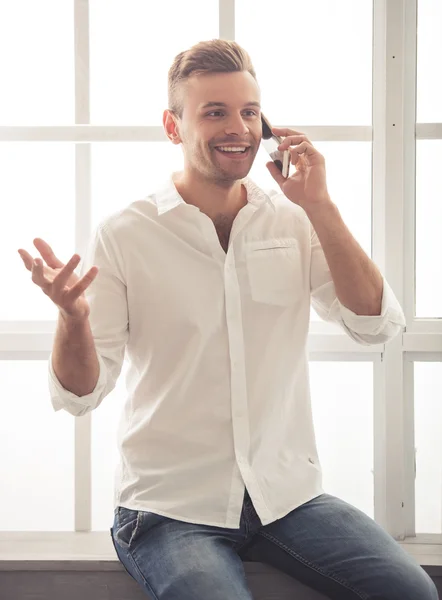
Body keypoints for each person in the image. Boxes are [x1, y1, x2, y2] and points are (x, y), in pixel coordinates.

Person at [18, 39, 437, 600]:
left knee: (411, 591)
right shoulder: (124, 234)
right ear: (173, 127)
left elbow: (374, 324)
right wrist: (71, 317)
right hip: (168, 508)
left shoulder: (292, 219)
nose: (237, 127)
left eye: (248, 112)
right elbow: (80, 395)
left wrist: (319, 204)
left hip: (286, 498)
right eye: (214, 112)